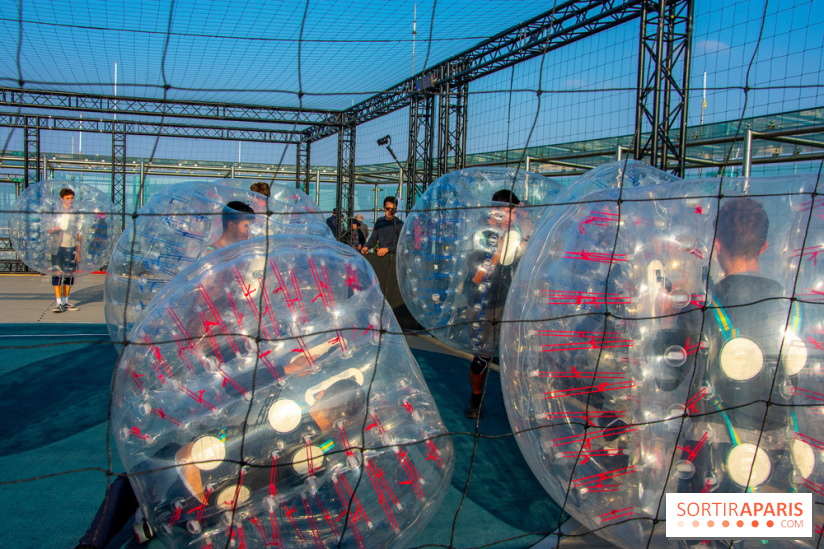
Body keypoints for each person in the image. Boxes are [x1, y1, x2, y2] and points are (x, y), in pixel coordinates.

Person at [74, 377, 366, 549]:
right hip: (214, 513)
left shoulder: (284, 409)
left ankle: (95, 540)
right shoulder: (321, 456)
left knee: (132, 479)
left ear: (324, 395)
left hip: (190, 476)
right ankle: (158, 520)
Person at [464, 189, 531, 419]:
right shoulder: (481, 234)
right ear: (496, 210)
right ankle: (476, 398)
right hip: (484, 303)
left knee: (515, 352)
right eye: (508, 210)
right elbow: (478, 278)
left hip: (509, 301)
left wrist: (524, 244)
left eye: (514, 210)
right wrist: (500, 246)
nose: (512, 215)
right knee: (483, 354)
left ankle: (514, 400)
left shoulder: (515, 233)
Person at [48, 188, 82, 313]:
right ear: (62, 199)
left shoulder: (76, 214)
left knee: (69, 274)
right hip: (58, 247)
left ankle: (65, 301)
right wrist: (59, 227)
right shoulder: (55, 213)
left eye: (72, 198)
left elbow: (79, 232)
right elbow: (48, 229)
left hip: (71, 246)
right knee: (57, 273)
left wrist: (78, 250)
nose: (70, 201)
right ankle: (58, 303)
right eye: (68, 198)